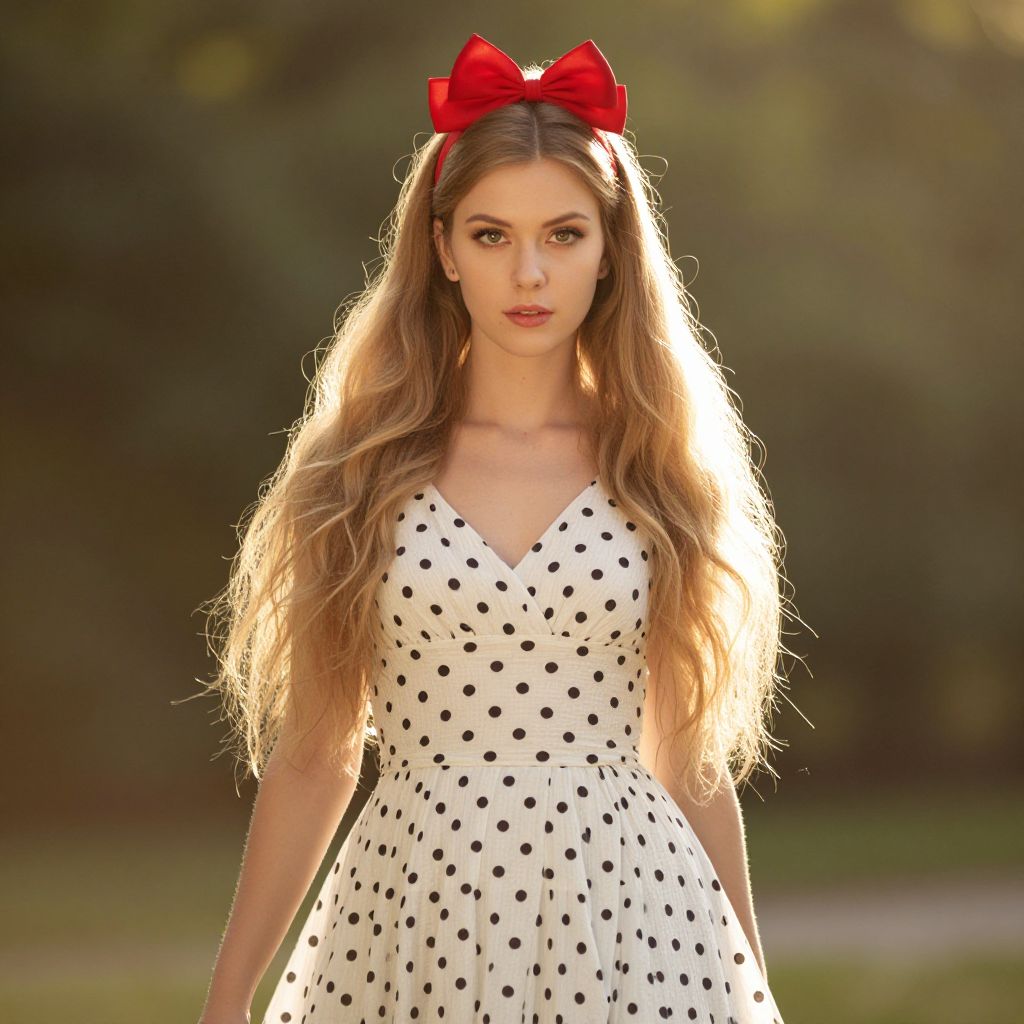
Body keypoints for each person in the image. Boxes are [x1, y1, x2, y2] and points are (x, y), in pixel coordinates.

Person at [197, 32, 791, 1024]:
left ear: (610, 252)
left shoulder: (659, 466)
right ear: (440, 248)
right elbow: (313, 756)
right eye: (490, 235)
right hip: (415, 907)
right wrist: (228, 999)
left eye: (563, 234)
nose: (528, 272)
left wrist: (749, 984)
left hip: (632, 916)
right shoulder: (356, 471)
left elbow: (688, 760)